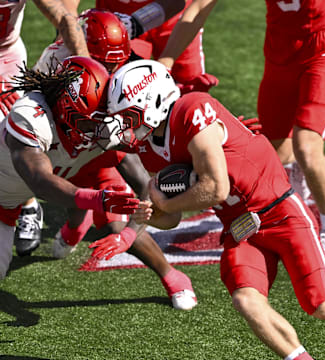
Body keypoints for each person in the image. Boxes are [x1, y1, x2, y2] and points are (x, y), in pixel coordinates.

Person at [91, 59, 325, 360]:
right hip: (241, 229)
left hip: (279, 211)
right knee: (246, 300)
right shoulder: (148, 147)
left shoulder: (191, 108)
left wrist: (163, 201)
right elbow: (173, 218)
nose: (125, 125)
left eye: (129, 115)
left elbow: (215, 187)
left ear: (152, 101)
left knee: (324, 306)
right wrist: (153, 215)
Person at [156, 0, 325, 265]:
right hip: (280, 51)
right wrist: (164, 63)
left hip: (323, 48)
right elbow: (199, 6)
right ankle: (298, 178)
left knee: (306, 147)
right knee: (276, 151)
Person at [32, 11, 198, 311]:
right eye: (105, 61)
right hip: (63, 144)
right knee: (64, 192)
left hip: (100, 148)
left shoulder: (123, 69)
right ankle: (75, 224)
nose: (112, 68)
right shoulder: (58, 63)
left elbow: (140, 140)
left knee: (115, 218)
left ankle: (171, 274)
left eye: (116, 61)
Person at [0, 56, 140, 280]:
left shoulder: (90, 127)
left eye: (100, 122)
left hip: (5, 208)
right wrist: (96, 199)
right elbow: (39, 180)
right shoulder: (32, 116)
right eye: (88, 123)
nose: (94, 131)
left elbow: (141, 173)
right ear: (65, 108)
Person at [0, 0, 91, 256]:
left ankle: (27, 204)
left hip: (6, 55)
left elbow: (65, 18)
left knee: (13, 131)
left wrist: (87, 71)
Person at [95, 0, 219, 93]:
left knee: (191, 92)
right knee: (121, 88)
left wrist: (164, 66)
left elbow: (198, 10)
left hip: (176, 20)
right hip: (121, 19)